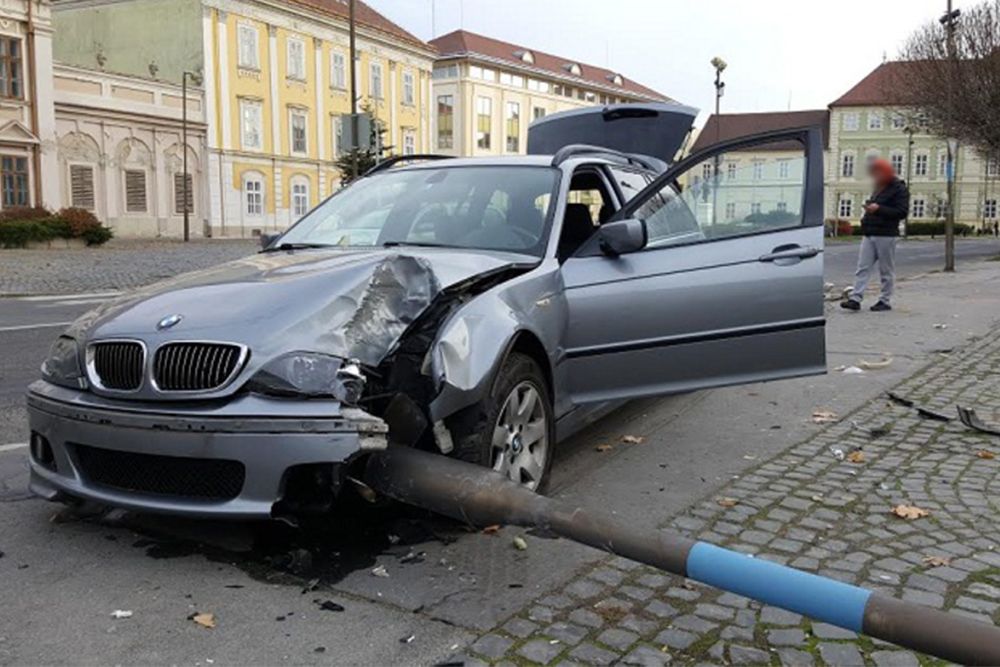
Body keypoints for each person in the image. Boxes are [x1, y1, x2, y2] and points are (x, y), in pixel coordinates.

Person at [841, 158, 910, 312]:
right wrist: (866, 217)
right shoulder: (878, 188)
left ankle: (885, 300)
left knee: (886, 269)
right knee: (862, 267)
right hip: (870, 232)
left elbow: (902, 212)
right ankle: (855, 298)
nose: (875, 175)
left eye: (877, 172)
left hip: (886, 234)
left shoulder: (899, 189)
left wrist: (878, 208)